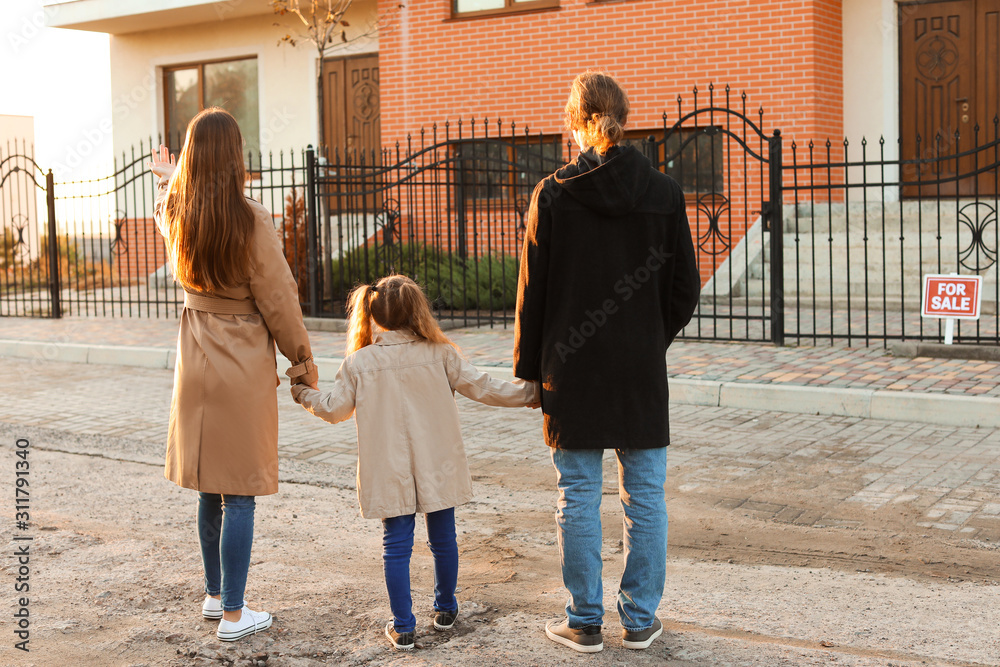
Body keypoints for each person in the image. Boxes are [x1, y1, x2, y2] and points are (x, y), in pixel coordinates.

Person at [514, 71, 701, 653]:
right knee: (645, 497)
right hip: (639, 373)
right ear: (625, 116)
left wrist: (530, 370)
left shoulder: (552, 193)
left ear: (576, 124)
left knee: (578, 495)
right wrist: (646, 338)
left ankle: (585, 619)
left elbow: (532, 293)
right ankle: (641, 619)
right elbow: (684, 289)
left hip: (571, 371)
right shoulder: (665, 194)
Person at [289, 274, 539, 651]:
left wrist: (304, 393)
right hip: (438, 461)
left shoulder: (358, 363)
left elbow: (334, 409)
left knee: (396, 545)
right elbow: (485, 387)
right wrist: (532, 393)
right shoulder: (441, 354)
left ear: (373, 316)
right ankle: (446, 608)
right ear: (418, 311)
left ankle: (404, 626)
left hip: (388, 466)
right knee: (444, 539)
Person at [146, 108, 318, 642]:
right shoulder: (251, 219)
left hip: (193, 359)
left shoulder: (177, 213)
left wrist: (169, 180)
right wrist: (302, 360)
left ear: (193, 159)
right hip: (239, 362)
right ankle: (236, 615)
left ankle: (216, 594)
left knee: (208, 485)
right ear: (235, 157)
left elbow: (164, 206)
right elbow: (279, 298)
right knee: (239, 489)